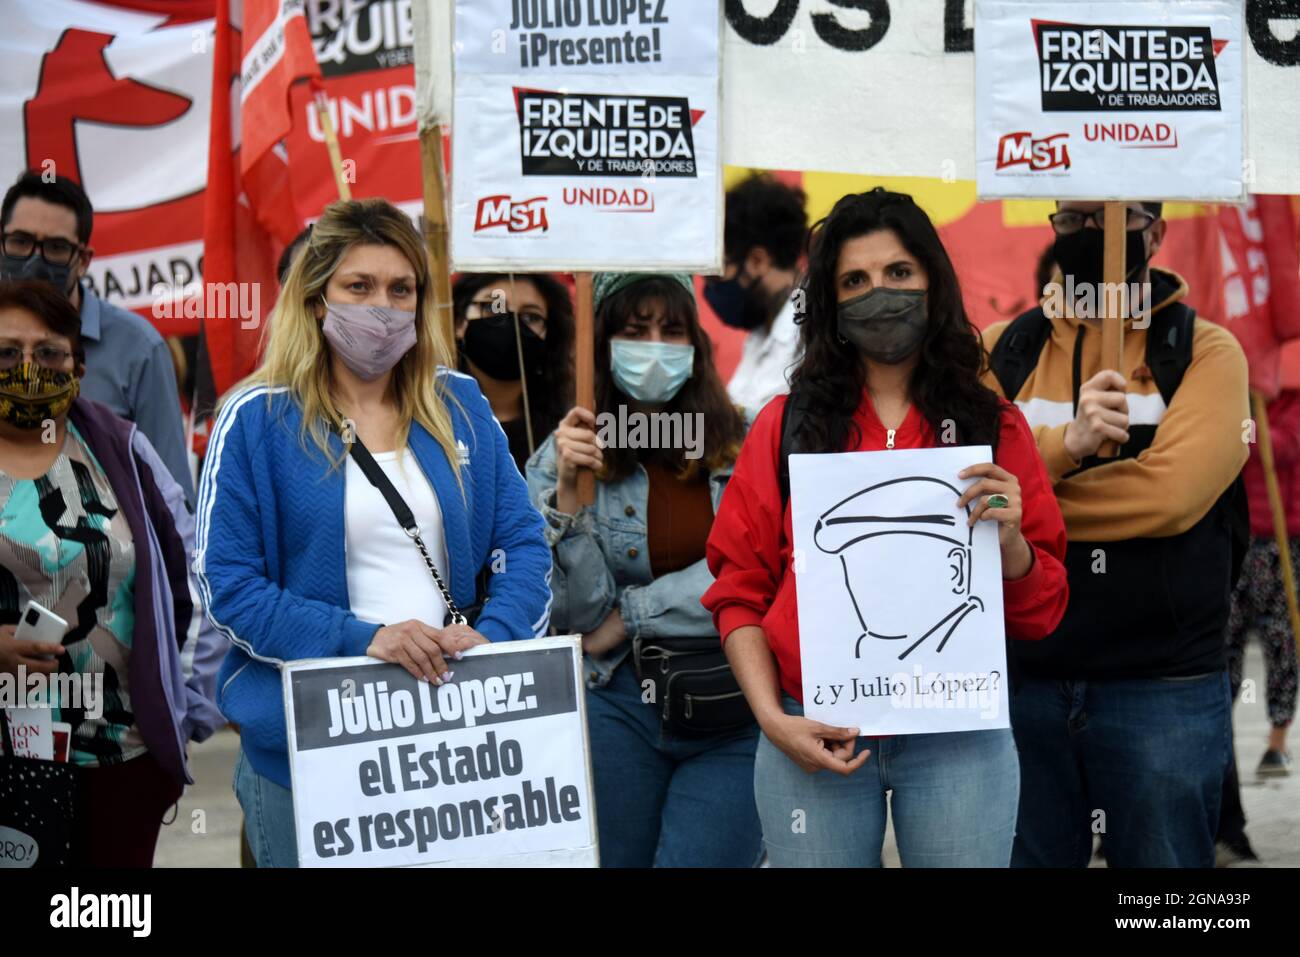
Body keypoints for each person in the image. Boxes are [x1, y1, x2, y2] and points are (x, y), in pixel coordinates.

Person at [702, 188, 1069, 867]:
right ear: (831, 304)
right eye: (855, 280)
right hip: (812, 730)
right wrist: (771, 719)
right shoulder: (784, 428)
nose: (881, 293)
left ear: (933, 280)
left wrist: (1012, 543)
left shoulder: (994, 426)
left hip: (958, 732)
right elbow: (738, 590)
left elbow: (1042, 610)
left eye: (899, 273)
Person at [194, 198, 554, 867]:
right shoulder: (254, 418)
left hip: (455, 744)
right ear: (315, 297)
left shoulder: (460, 403)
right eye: (358, 286)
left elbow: (523, 544)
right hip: (310, 753)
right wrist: (366, 640)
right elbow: (229, 587)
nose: (381, 306)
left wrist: (495, 639)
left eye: (400, 288)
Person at [982, 200, 1250, 868]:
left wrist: (1026, 496)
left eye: (1112, 218)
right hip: (1021, 682)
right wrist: (1067, 443)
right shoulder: (999, 349)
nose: (1090, 235)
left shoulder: (1207, 351)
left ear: (1155, 233)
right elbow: (963, 486)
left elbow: (1170, 497)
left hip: (1162, 684)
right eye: (1073, 219)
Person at [526, 272, 759, 867]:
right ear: (602, 345)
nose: (654, 345)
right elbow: (574, 621)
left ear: (696, 346)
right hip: (613, 702)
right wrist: (571, 501)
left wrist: (631, 615)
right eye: (634, 331)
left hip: (734, 698)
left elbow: (753, 572)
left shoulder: (747, 440)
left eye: (672, 330)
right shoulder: (561, 457)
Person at [0, 280, 225, 866]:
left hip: (122, 757)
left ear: (78, 362)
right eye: (6, 353)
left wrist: (184, 711)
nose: (27, 368)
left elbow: (191, 576)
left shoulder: (121, 449)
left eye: (47, 352)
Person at [1, 171, 194, 503]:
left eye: (56, 248)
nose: (35, 260)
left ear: (84, 261)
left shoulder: (139, 349)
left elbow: (171, 498)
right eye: (20, 241)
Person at [1228, 389, 1299, 774]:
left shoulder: (1294, 403)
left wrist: (1245, 426)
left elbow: (1282, 447)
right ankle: (1222, 735)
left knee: (1279, 638)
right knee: (1228, 636)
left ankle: (1277, 737)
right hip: (1239, 536)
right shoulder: (1239, 396)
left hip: (1283, 542)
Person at [704, 174, 808, 414]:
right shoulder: (762, 332)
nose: (711, 291)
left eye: (715, 277)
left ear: (757, 261)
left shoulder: (813, 332)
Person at [452, 272, 574, 473]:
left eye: (531, 317)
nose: (511, 325)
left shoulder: (567, 428)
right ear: (458, 321)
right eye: (493, 307)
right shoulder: (430, 416)